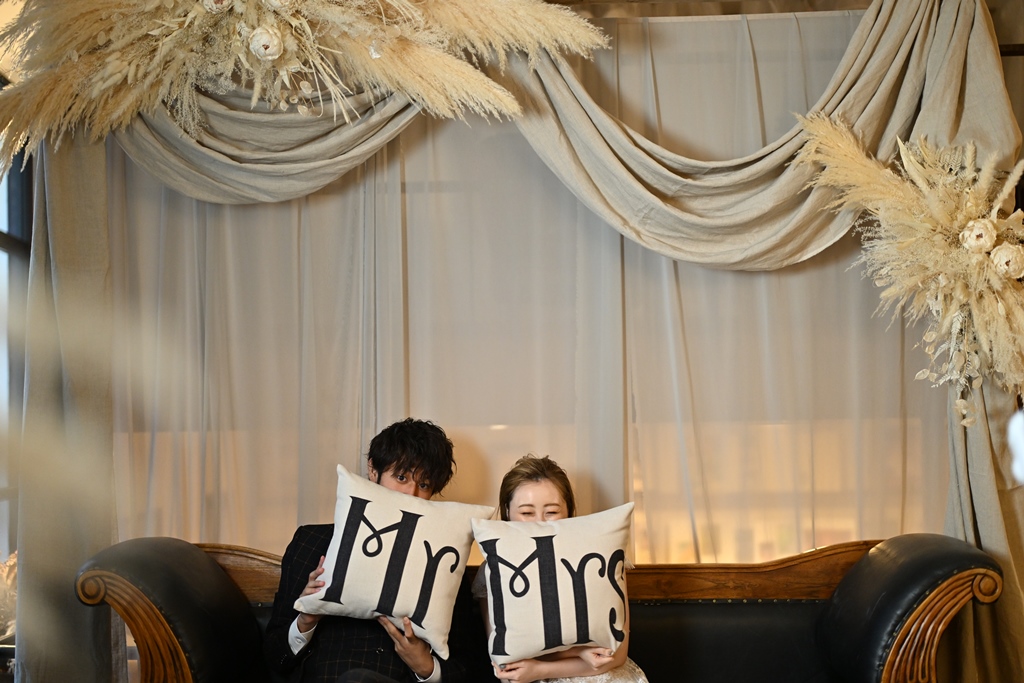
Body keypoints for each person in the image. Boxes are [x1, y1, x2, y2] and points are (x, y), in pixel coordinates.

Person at [264, 418, 489, 683]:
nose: (411, 494)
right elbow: (274, 658)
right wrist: (305, 620)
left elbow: (469, 668)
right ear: (373, 470)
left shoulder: (443, 558)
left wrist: (426, 667)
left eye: (424, 484)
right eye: (401, 477)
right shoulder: (311, 541)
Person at [474, 455, 649, 683]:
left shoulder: (602, 555)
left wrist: (541, 669)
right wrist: (579, 652)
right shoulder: (495, 568)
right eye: (526, 513)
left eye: (551, 512)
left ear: (569, 512)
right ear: (507, 512)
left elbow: (616, 654)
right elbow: (506, 658)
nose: (539, 522)